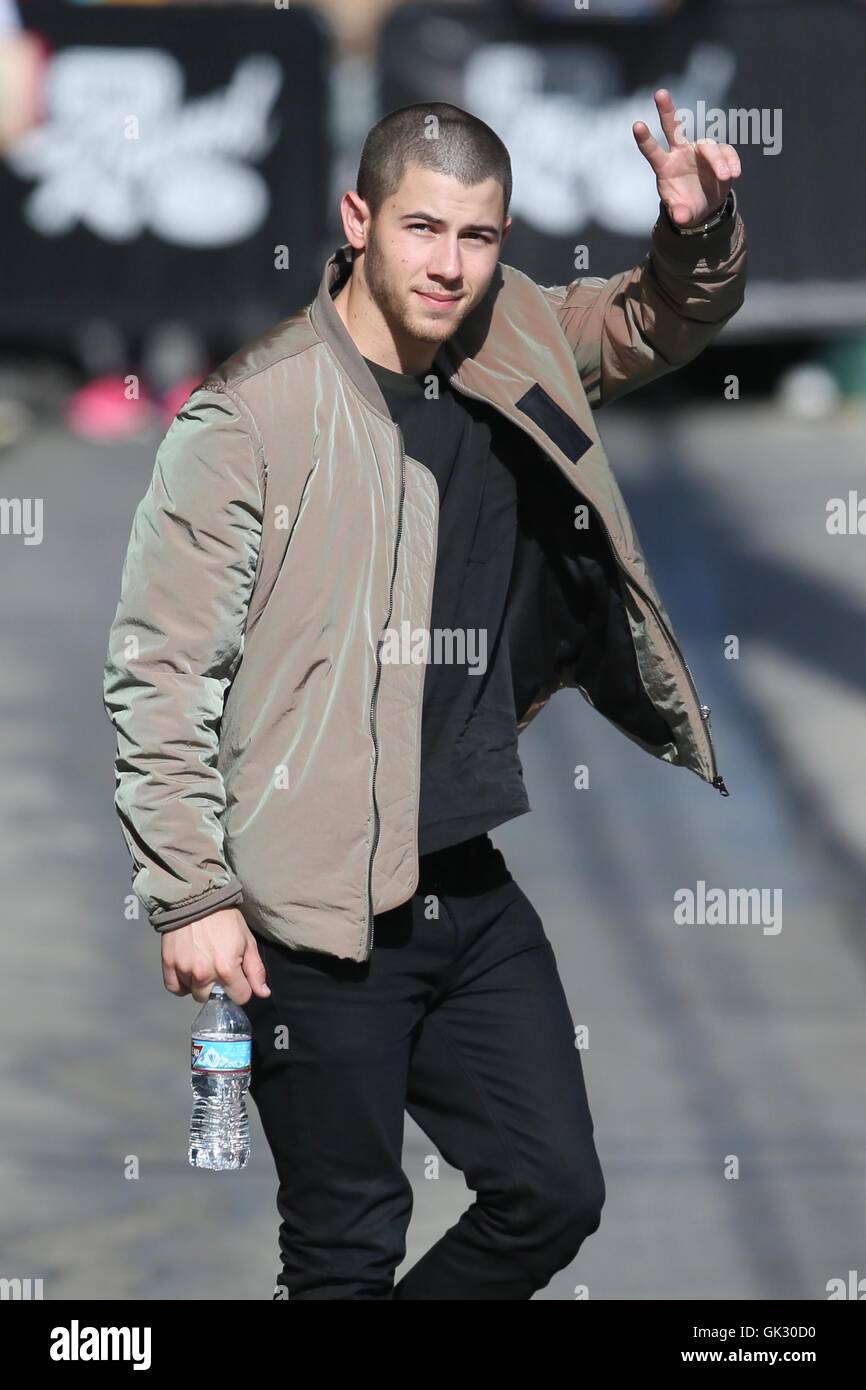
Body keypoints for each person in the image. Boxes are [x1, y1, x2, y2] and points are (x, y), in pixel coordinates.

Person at [103, 92, 746, 1299]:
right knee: (345, 1251)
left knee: (550, 1190)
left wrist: (695, 231)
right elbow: (158, 671)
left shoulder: (514, 337)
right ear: (356, 219)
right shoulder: (247, 417)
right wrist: (191, 891)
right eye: (422, 229)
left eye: (480, 236)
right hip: (312, 915)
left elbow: (658, 319)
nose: (450, 266)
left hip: (462, 880)